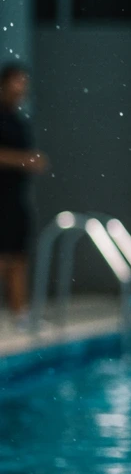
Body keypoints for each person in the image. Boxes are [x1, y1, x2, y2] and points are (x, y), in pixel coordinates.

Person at [0, 63, 48, 322]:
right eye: (17, 82)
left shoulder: (19, 120)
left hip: (16, 197)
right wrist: (23, 160)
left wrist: (30, 160)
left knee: (19, 256)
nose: (21, 88)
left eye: (24, 83)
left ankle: (20, 314)